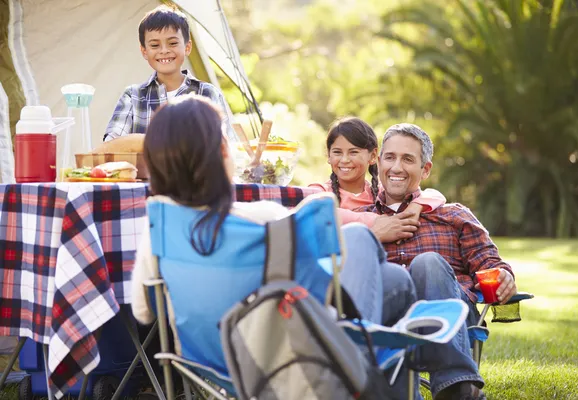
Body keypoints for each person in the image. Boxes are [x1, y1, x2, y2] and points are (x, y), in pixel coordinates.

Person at [131, 94, 416, 344]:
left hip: (209, 362)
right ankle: (357, 374)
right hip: (283, 359)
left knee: (390, 276)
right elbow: (315, 285)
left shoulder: (157, 228)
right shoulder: (264, 218)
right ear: (222, 152)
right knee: (390, 273)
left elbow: (144, 311)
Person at [358, 123, 518, 400]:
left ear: (426, 170)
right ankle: (456, 386)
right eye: (390, 157)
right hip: (389, 323)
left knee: (428, 263)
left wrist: (504, 276)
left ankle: (454, 386)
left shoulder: (453, 215)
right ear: (379, 162)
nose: (396, 167)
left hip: (453, 319)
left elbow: (489, 263)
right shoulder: (362, 219)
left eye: (408, 159)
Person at [103, 5, 236, 143]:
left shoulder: (207, 93)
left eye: (172, 43)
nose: (164, 50)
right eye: (155, 45)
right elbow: (112, 143)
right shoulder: (132, 96)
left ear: (187, 47)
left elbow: (227, 145)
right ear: (144, 51)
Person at [310, 117, 447, 244]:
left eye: (353, 152)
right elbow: (315, 212)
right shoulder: (320, 192)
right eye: (337, 152)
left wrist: (416, 206)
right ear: (328, 155)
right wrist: (378, 221)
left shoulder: (379, 193)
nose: (345, 160)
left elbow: (433, 195)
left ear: (373, 156)